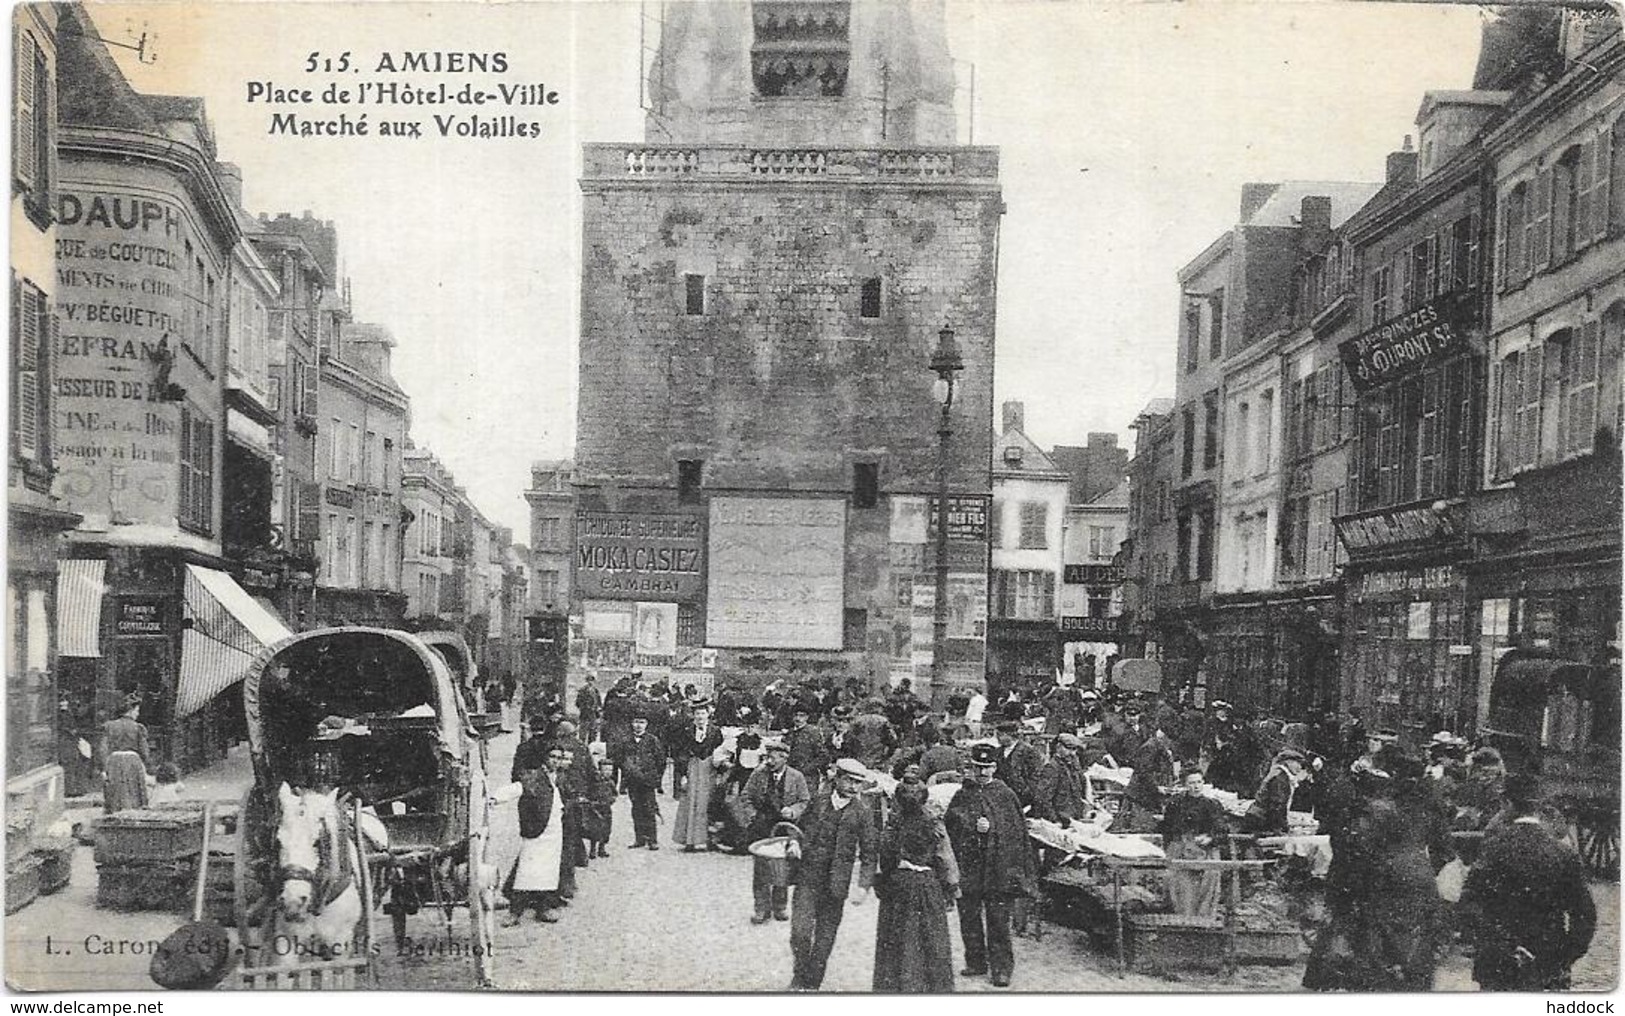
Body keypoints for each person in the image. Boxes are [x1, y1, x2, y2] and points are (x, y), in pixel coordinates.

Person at [1458, 775, 1596, 990]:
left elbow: (1469, 905)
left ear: (1507, 804)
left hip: (1499, 966)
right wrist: (1565, 956)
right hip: (1547, 963)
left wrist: (1503, 946)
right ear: (1539, 807)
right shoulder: (1563, 852)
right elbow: (1584, 914)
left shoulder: (1493, 848)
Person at [944, 743, 1037, 988]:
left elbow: (1016, 833)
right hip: (971, 868)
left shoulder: (1005, 795)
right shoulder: (963, 794)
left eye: (987, 767)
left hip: (997, 868)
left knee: (997, 919)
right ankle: (975, 962)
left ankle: (1001, 969)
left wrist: (992, 828)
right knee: (969, 916)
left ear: (995, 768)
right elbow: (950, 826)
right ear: (971, 767)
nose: (982, 772)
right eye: (978, 767)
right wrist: (972, 824)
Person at [788, 759, 878, 991]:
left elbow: (869, 853)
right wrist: (794, 843)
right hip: (808, 877)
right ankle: (799, 974)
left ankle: (812, 983)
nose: (853, 787)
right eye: (848, 780)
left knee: (825, 937)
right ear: (836, 778)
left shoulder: (863, 813)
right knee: (800, 931)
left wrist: (863, 885)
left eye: (858, 783)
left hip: (836, 884)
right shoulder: (818, 802)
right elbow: (797, 829)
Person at [872, 781, 958, 993]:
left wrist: (883, 882)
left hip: (899, 884)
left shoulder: (893, 823)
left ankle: (896, 989)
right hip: (928, 885)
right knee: (931, 940)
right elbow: (945, 859)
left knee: (897, 940)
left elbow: (885, 858)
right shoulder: (934, 823)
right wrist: (952, 889)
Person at [744, 740, 810, 923]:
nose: (768, 762)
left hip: (785, 828)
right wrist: (753, 816)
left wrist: (793, 810)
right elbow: (746, 796)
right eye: (767, 757)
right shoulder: (758, 774)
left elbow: (805, 801)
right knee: (761, 870)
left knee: (782, 868)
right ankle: (760, 908)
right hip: (762, 827)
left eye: (772, 758)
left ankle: (780, 907)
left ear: (784, 758)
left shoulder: (797, 777)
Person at [503, 742, 566, 924]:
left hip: (554, 832)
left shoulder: (561, 778)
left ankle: (544, 908)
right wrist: (495, 798)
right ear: (545, 758)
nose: (556, 761)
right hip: (537, 830)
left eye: (559, 758)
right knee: (526, 871)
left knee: (549, 872)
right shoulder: (534, 776)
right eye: (553, 757)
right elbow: (517, 788)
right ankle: (515, 911)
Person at [1160, 770, 1230, 917]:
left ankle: (1204, 916)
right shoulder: (1176, 804)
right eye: (1192, 783)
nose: (1196, 786)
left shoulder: (1211, 804)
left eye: (1199, 782)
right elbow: (1167, 829)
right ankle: (1183, 915)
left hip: (1206, 850)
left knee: (1210, 875)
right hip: (1182, 847)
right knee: (1180, 881)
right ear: (1185, 785)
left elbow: (1222, 830)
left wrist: (1210, 838)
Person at [671, 700, 724, 851]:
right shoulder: (687, 731)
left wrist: (719, 773)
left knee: (708, 803)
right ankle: (689, 841)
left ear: (708, 714)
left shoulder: (715, 731)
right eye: (697, 714)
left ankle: (710, 840)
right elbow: (680, 754)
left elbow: (720, 752)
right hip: (692, 768)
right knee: (691, 803)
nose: (700, 717)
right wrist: (683, 775)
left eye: (703, 713)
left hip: (709, 769)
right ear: (693, 716)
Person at [610, 714, 665, 849]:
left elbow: (660, 761)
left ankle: (652, 839)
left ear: (646, 724)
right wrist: (622, 781)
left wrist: (656, 779)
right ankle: (639, 838)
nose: (638, 725)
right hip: (632, 781)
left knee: (649, 809)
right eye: (635, 722)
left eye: (642, 722)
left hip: (647, 781)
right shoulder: (625, 741)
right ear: (631, 723)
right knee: (636, 809)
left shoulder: (653, 740)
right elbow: (619, 761)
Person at [101, 694, 151, 814]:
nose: (137, 714)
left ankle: (114, 815)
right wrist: (146, 763)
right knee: (134, 791)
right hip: (133, 761)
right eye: (137, 710)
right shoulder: (138, 727)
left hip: (114, 761)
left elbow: (103, 748)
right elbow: (144, 750)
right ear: (131, 710)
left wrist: (104, 767)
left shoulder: (109, 726)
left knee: (115, 791)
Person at [1243, 749, 1308, 835]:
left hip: (1258, 817)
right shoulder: (1280, 778)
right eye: (1298, 764)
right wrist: (1280, 828)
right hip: (1261, 819)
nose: (1300, 768)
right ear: (1288, 762)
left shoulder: (1278, 774)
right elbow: (1276, 805)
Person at [1030, 733, 1086, 826]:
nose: (1072, 753)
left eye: (1074, 749)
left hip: (1074, 819)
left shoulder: (1074, 767)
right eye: (1068, 748)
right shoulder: (1052, 768)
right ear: (1059, 747)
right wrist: (1054, 820)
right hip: (1059, 821)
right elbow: (1044, 798)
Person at [992, 720, 1043, 809]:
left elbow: (1036, 775)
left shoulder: (1029, 751)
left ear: (1010, 735)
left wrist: (1028, 791)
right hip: (1001, 796)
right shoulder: (997, 752)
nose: (997, 738)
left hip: (1022, 797)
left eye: (1000, 735)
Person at [786, 705, 832, 801]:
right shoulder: (790, 733)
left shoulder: (813, 732)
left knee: (808, 804)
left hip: (808, 778)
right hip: (791, 776)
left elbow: (823, 756)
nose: (798, 718)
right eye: (796, 715)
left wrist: (807, 768)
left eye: (801, 716)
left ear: (807, 717)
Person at [585, 757, 617, 858]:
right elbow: (589, 793)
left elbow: (615, 793)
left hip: (606, 809)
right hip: (596, 809)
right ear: (600, 770)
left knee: (606, 829)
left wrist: (612, 800)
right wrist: (592, 802)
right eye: (606, 769)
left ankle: (602, 849)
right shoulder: (595, 782)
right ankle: (593, 850)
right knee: (594, 829)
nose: (608, 772)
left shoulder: (611, 782)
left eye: (610, 770)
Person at [574, 673, 603, 743]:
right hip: (585, 714)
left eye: (592, 680)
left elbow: (599, 702)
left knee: (593, 731)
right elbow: (578, 702)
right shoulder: (582, 690)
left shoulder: (595, 691)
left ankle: (591, 745)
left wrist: (598, 709)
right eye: (589, 680)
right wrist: (584, 707)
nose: (590, 682)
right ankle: (582, 746)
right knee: (583, 731)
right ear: (586, 681)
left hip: (593, 714)